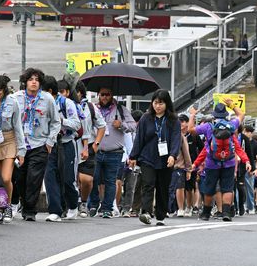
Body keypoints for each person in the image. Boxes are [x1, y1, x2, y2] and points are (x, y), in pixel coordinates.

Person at [12, 68, 60, 221]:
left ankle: (29, 211)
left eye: (37, 80)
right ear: (25, 82)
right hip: (20, 145)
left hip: (39, 144)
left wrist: (50, 141)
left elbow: (55, 122)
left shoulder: (47, 99)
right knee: (20, 177)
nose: (33, 82)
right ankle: (22, 202)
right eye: (31, 79)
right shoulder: (15, 98)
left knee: (34, 178)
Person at [189, 101, 250, 221]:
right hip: (229, 162)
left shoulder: (208, 127)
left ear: (214, 115)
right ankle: (226, 213)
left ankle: (206, 213)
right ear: (225, 115)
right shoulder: (231, 125)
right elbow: (241, 115)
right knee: (227, 188)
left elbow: (191, 130)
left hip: (212, 163)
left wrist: (192, 115)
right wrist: (231, 105)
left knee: (209, 188)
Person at [129, 90, 182, 226]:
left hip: (166, 159)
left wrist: (173, 155)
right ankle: (146, 212)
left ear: (167, 104)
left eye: (161, 103)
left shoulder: (173, 120)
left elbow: (176, 139)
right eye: (155, 103)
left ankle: (160, 215)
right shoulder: (146, 118)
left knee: (163, 187)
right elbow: (139, 138)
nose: (158, 106)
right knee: (148, 183)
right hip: (148, 157)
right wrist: (133, 156)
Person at [88, 88, 136, 218]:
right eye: (102, 95)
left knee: (110, 181)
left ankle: (107, 208)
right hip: (96, 151)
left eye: (107, 95)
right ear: (98, 95)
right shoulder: (93, 108)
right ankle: (93, 205)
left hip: (114, 152)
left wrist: (121, 124)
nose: (104, 97)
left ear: (112, 95)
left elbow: (133, 126)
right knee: (94, 178)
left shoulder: (121, 109)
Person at [0, 74, 25, 224]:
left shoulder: (12, 103)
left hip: (9, 141)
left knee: (6, 177)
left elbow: (18, 127)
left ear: (4, 90)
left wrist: (21, 151)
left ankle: (8, 205)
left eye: (0, 89)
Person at [43, 77, 81, 222]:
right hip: (49, 144)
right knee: (50, 177)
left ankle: (72, 205)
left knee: (67, 179)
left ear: (51, 92)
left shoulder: (67, 103)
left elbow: (77, 124)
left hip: (66, 144)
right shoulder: (39, 104)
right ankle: (55, 211)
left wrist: (61, 121)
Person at [73, 81, 106, 218]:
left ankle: (84, 202)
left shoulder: (90, 107)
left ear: (81, 93)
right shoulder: (65, 105)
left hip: (89, 146)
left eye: (76, 92)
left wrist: (96, 143)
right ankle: (71, 204)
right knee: (71, 179)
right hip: (71, 145)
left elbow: (102, 126)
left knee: (86, 179)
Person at [179, 113, 204, 217]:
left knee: (190, 188)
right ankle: (180, 208)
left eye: (182, 122)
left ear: (186, 123)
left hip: (192, 165)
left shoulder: (194, 135)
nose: (180, 124)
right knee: (179, 187)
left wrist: (201, 163)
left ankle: (189, 207)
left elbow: (203, 149)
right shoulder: (176, 135)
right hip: (179, 165)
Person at [241, 125, 257, 215]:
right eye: (246, 132)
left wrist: (256, 169)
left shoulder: (255, 144)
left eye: (249, 132)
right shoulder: (241, 141)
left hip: (251, 167)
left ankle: (250, 206)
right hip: (241, 166)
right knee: (240, 188)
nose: (247, 134)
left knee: (250, 188)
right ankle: (241, 206)